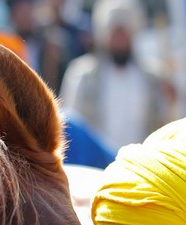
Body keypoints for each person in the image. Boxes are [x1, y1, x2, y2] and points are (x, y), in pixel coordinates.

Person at [59, 0, 167, 152]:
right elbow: (71, 126)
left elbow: (166, 122)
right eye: (116, 34)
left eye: (124, 34)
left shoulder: (152, 77)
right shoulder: (82, 76)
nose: (120, 40)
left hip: (140, 166)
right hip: (96, 166)